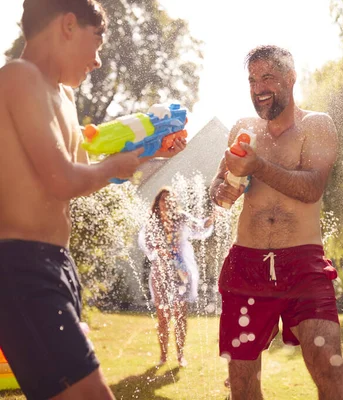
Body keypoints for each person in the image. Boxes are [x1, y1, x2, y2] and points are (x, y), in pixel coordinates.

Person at [0, 1, 186, 399]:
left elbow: (88, 175)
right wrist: (112, 166)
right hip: (21, 267)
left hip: (56, 266)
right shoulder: (18, 77)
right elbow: (62, 179)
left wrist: (151, 152)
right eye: (97, 42)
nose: (98, 61)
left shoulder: (63, 98)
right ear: (68, 25)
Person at [210, 45, 343, 400]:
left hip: (303, 265)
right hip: (246, 266)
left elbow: (312, 187)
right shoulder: (242, 128)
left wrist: (258, 167)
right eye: (252, 79)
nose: (258, 86)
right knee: (242, 383)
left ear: (291, 79)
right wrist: (222, 192)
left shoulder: (316, 125)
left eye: (268, 77)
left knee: (328, 366)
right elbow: (219, 183)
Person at [138, 187, 214, 368]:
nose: (167, 203)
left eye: (170, 199)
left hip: (182, 274)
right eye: (163, 199)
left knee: (180, 316)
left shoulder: (182, 218)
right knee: (163, 317)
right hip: (160, 273)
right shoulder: (152, 222)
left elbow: (201, 228)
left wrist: (212, 218)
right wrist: (156, 248)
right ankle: (163, 356)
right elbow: (145, 243)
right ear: (157, 203)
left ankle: (180, 356)